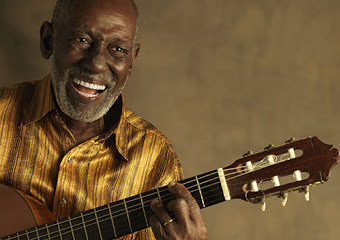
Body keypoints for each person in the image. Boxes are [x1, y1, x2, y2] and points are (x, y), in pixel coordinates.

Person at [0, 0, 208, 239]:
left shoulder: (155, 160)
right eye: (82, 40)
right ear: (48, 41)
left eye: (118, 49)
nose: (97, 64)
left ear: (131, 61)